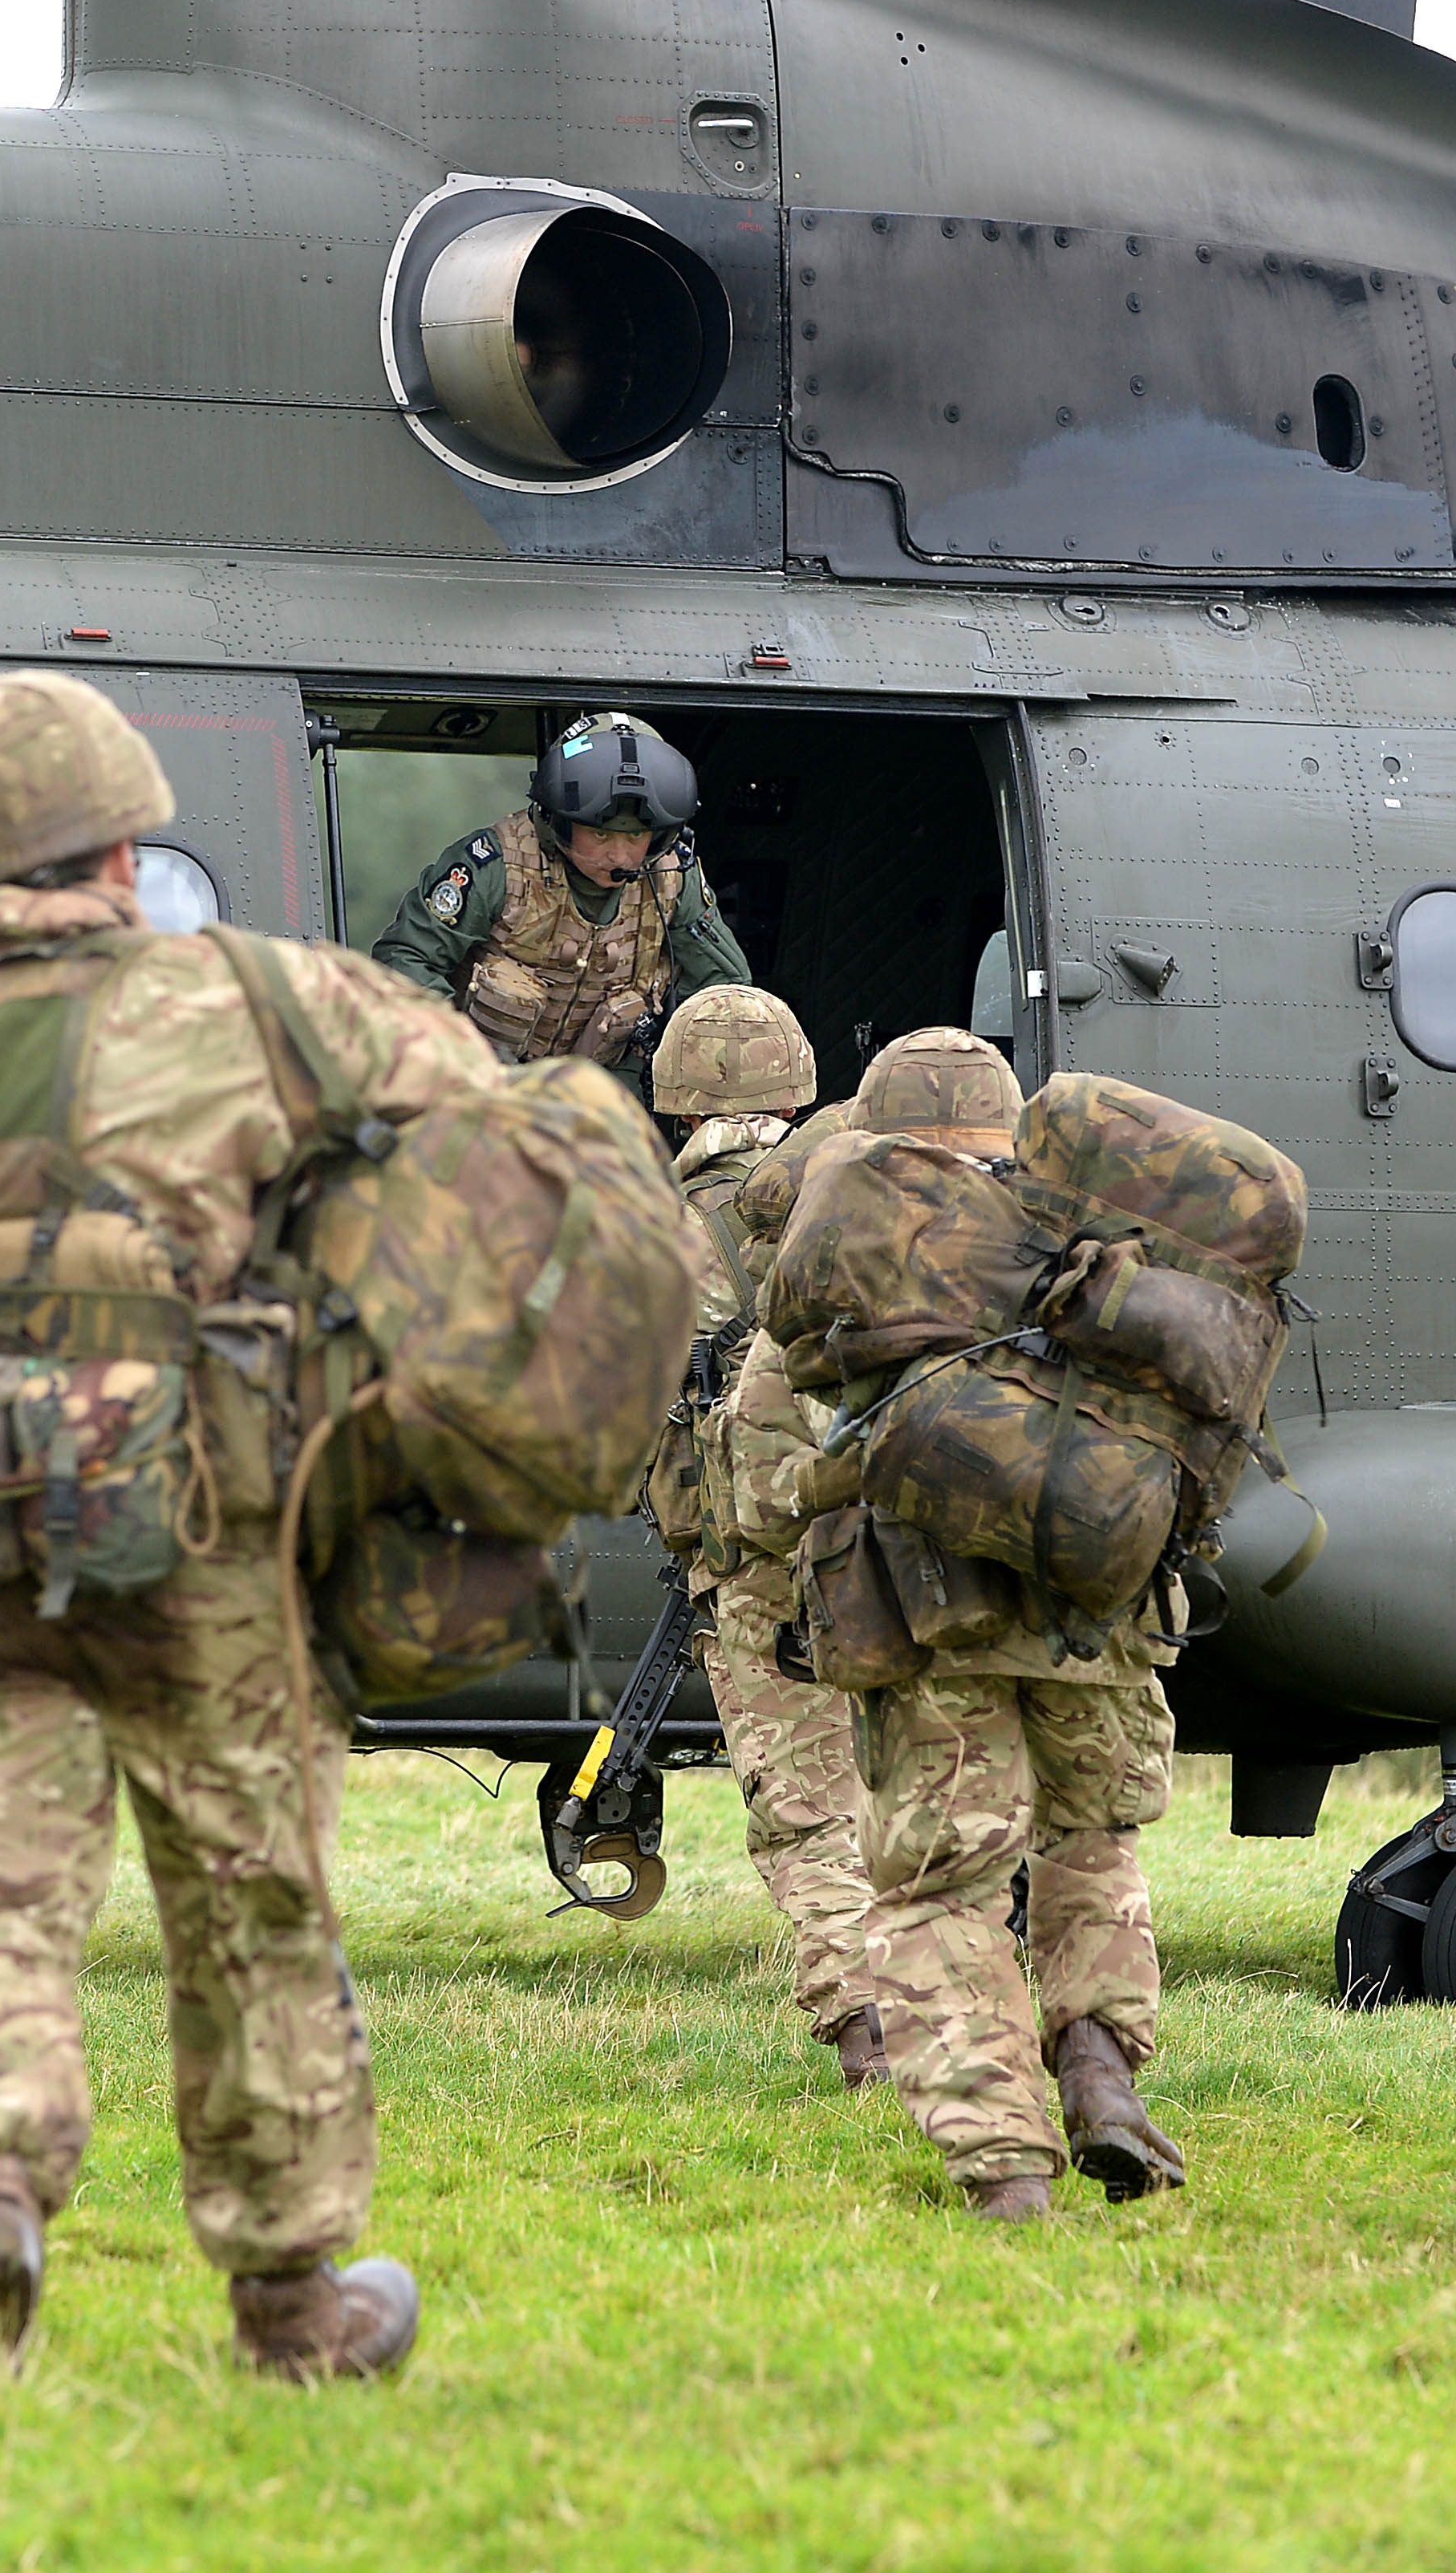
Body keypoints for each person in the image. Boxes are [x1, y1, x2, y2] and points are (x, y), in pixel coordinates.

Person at [0, 668, 499, 2382]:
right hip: (202, 1529)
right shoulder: (245, 999)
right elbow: (479, 1118)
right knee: (249, 1901)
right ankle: (292, 2298)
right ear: (122, 847)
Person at [837, 1029, 1190, 2222]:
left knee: (943, 1885)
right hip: (1108, 1617)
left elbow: (776, 1475)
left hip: (941, 1627)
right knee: (1089, 1845)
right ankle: (1097, 2067)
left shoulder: (863, 1254)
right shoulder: (1096, 1247)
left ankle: (1006, 2168)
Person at [644, 988, 880, 2085]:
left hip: (750, 1568)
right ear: (795, 1087)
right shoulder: (862, 1197)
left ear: (674, 1103)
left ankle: (866, 2029)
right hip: (891, 1543)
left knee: (807, 1812)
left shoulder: (652, 1234)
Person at [367, 709, 751, 1078]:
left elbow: (726, 987)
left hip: (606, 1098)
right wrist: (464, 1059)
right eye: (601, 834)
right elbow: (405, 962)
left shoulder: (671, 880)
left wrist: (648, 1064)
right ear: (560, 824)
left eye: (636, 836)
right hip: (477, 1087)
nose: (619, 855)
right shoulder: (499, 865)